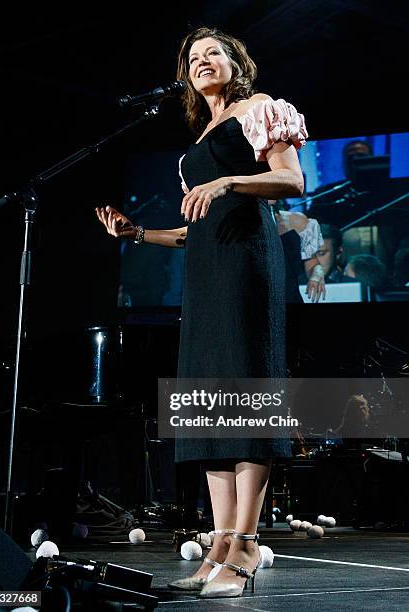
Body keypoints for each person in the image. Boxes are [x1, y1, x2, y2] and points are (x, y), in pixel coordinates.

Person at [96, 26, 307, 598]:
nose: (203, 61)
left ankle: (245, 547)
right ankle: (218, 541)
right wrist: (138, 233)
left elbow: (292, 179)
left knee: (245, 395)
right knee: (210, 405)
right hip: (207, 276)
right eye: (194, 57)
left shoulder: (262, 109)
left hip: (247, 265)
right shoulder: (200, 138)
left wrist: (230, 180)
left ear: (237, 62)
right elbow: (196, 231)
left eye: (214, 52)